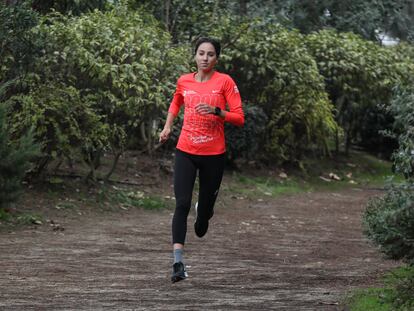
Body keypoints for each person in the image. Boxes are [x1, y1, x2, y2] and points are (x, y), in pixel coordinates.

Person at [159, 37, 244, 283]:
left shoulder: (225, 82)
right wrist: (167, 127)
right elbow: (176, 101)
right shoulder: (184, 80)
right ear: (194, 56)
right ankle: (177, 263)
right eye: (201, 53)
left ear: (217, 58)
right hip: (185, 150)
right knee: (181, 203)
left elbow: (239, 117)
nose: (205, 58)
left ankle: (204, 213)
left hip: (213, 155)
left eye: (210, 54)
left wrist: (217, 111)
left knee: (203, 218)